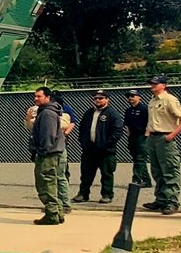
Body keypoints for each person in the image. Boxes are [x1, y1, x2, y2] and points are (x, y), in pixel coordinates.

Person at [144, 74, 181, 216]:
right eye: (152, 84)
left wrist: (172, 134)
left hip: (165, 137)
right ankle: (161, 199)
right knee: (157, 171)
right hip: (153, 138)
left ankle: (171, 202)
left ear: (163, 85)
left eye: (155, 84)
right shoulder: (152, 101)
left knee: (169, 170)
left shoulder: (169, 99)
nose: (153, 86)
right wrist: (148, 133)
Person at [73, 90, 122, 204]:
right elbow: (82, 129)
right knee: (86, 174)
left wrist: (106, 144)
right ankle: (83, 194)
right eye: (95, 98)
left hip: (105, 151)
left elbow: (117, 131)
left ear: (107, 99)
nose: (97, 100)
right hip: (89, 150)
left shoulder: (112, 113)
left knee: (106, 174)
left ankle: (107, 194)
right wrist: (84, 143)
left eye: (100, 98)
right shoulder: (89, 113)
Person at [28, 86, 66, 225]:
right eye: (35, 96)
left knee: (45, 183)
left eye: (39, 96)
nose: (35, 99)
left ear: (48, 97)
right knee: (51, 183)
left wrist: (42, 151)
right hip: (50, 152)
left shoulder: (47, 114)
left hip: (48, 154)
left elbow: (48, 135)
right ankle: (58, 212)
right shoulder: (45, 112)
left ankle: (51, 214)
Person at [124, 89, 151, 187]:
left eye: (133, 96)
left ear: (139, 97)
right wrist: (129, 135)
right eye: (129, 96)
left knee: (140, 158)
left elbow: (150, 122)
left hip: (142, 136)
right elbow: (126, 124)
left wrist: (147, 134)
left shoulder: (144, 109)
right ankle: (147, 180)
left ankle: (136, 180)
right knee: (137, 159)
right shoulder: (128, 110)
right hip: (132, 137)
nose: (130, 98)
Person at [57, 93, 77, 213]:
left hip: (60, 144)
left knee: (61, 174)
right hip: (52, 146)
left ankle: (64, 202)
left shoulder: (65, 110)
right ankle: (58, 202)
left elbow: (72, 122)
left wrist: (65, 134)